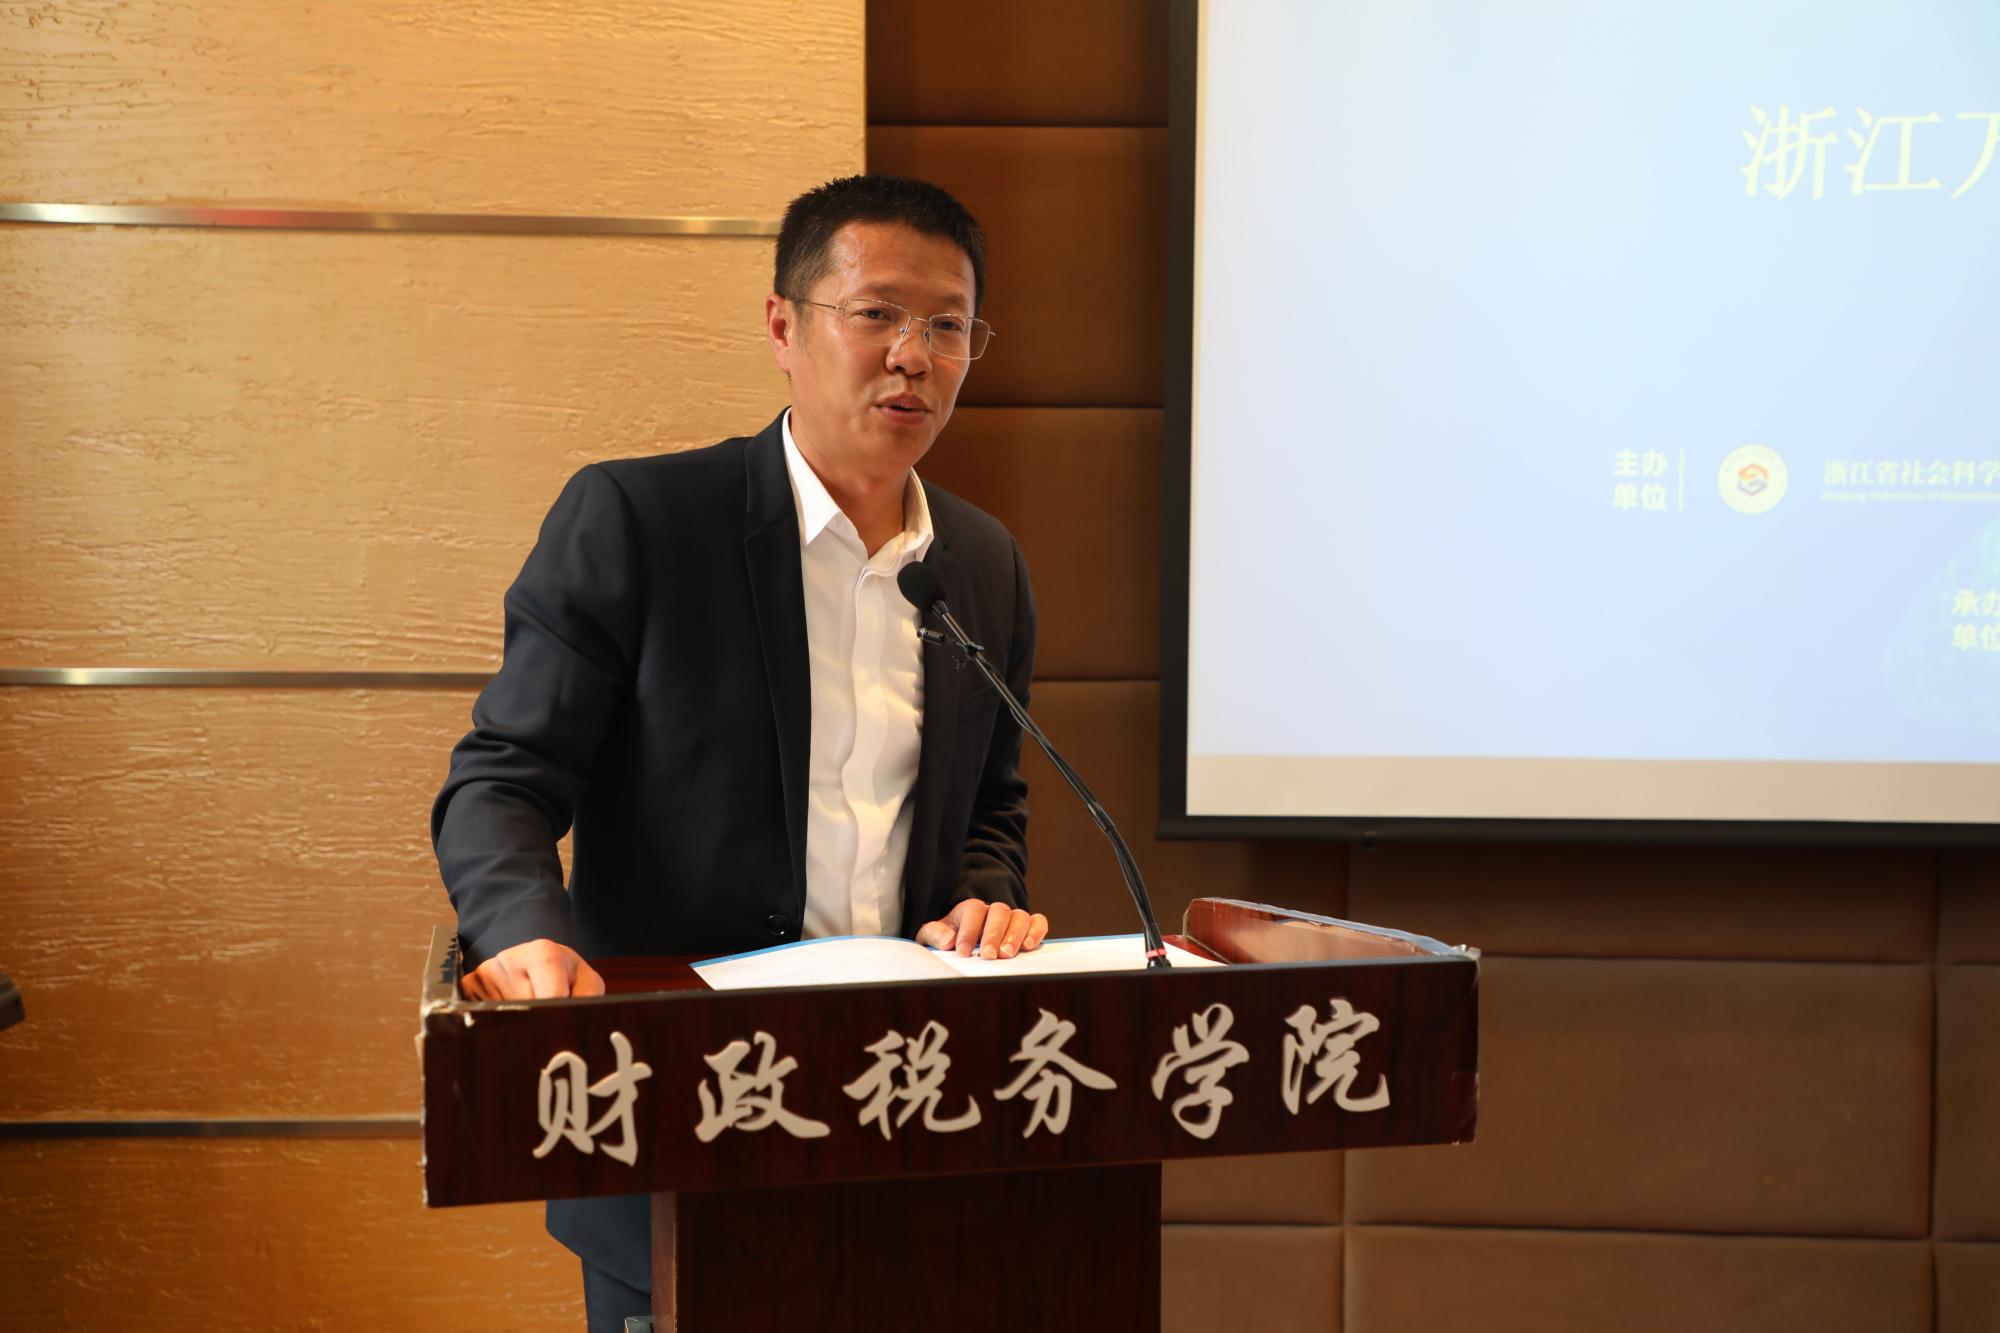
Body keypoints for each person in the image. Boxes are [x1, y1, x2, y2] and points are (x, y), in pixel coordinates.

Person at [430, 174, 1049, 1330]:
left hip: (905, 1116)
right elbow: (502, 780)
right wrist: (522, 935)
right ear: (782, 326)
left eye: (947, 325)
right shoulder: (640, 522)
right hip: (683, 1112)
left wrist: (983, 898)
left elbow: (988, 810)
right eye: (875, 314)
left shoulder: (982, 566)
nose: (912, 356)